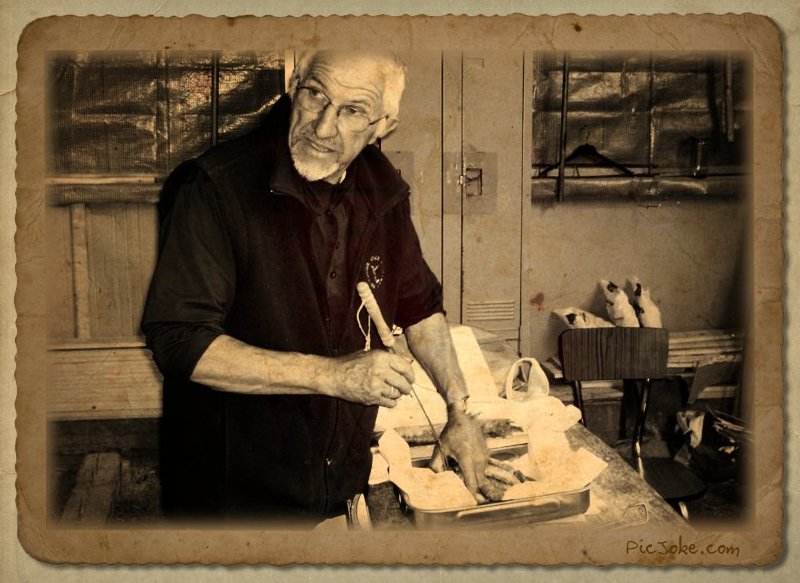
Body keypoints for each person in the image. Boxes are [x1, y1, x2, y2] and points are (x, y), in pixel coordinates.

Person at [142, 50, 487, 524]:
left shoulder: (382, 189)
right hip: (233, 501)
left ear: (384, 125)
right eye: (315, 95)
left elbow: (420, 306)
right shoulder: (214, 187)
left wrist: (459, 408)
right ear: (294, 86)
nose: (323, 128)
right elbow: (180, 340)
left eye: (352, 110)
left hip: (337, 487)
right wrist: (335, 377)